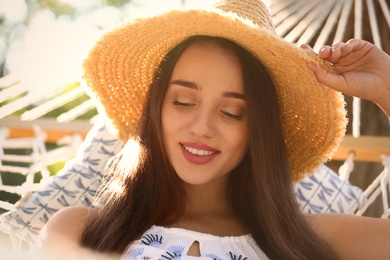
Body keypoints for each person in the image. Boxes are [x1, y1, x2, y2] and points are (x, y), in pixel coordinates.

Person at [39, 0, 390, 259]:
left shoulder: (307, 239)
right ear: (156, 110)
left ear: (258, 131)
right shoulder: (80, 230)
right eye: (183, 102)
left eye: (231, 111)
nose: (202, 127)